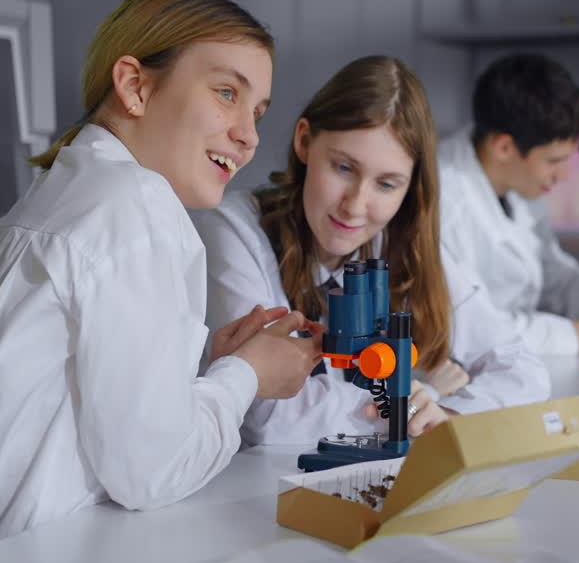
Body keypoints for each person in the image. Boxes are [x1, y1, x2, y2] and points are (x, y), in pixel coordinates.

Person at [0, 0, 324, 563]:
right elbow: (152, 472)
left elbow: (81, 406)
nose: (250, 135)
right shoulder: (135, 208)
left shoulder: (55, 201)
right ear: (135, 85)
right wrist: (246, 377)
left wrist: (201, 369)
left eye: (257, 112)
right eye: (227, 93)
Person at [193, 56, 550, 446]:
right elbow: (265, 413)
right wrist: (408, 403)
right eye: (343, 168)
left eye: (386, 184)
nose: (355, 206)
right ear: (305, 141)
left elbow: (523, 370)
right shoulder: (235, 230)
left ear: (409, 189)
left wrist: (446, 414)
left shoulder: (397, 241)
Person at [437, 53, 579, 357]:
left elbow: (553, 289)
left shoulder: (516, 184)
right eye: (554, 161)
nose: (562, 176)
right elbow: (459, 329)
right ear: (504, 147)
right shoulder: (443, 204)